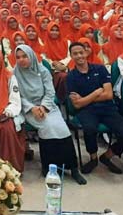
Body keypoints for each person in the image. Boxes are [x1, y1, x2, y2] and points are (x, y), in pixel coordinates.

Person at [13, 44, 86, 184]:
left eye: (24, 56)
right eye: (18, 57)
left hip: (48, 106)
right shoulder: (16, 73)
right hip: (28, 109)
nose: (21, 60)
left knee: (62, 128)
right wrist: (32, 108)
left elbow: (50, 92)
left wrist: (44, 107)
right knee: (47, 127)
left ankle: (73, 168)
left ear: (31, 56)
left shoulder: (43, 70)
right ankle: (49, 168)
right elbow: (18, 96)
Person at [66, 43, 123, 175]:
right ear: (71, 56)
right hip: (86, 111)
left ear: (86, 53)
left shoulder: (100, 69)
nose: (79, 56)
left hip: (108, 108)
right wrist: (96, 93)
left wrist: (85, 99)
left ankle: (107, 156)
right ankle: (93, 158)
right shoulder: (71, 76)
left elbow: (108, 94)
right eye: (75, 53)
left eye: (81, 52)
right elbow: (77, 105)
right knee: (89, 129)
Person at [0, 46, 26, 173]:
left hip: (6, 113)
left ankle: (9, 168)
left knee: (7, 129)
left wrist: (6, 112)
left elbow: (15, 99)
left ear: (1, 58)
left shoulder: (9, 76)